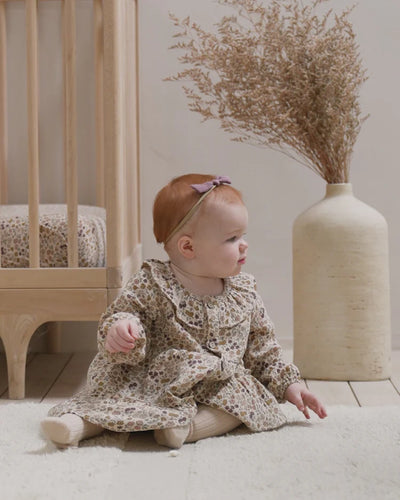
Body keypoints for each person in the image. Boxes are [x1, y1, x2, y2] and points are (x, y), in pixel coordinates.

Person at [41, 174, 327, 449]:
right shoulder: (154, 282)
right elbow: (125, 311)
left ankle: (184, 428)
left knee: (245, 398)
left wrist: (291, 387)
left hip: (217, 385)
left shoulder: (244, 292)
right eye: (231, 238)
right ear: (188, 247)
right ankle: (76, 424)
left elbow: (264, 351)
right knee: (114, 397)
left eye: (243, 235)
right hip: (157, 379)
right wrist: (122, 327)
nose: (244, 244)